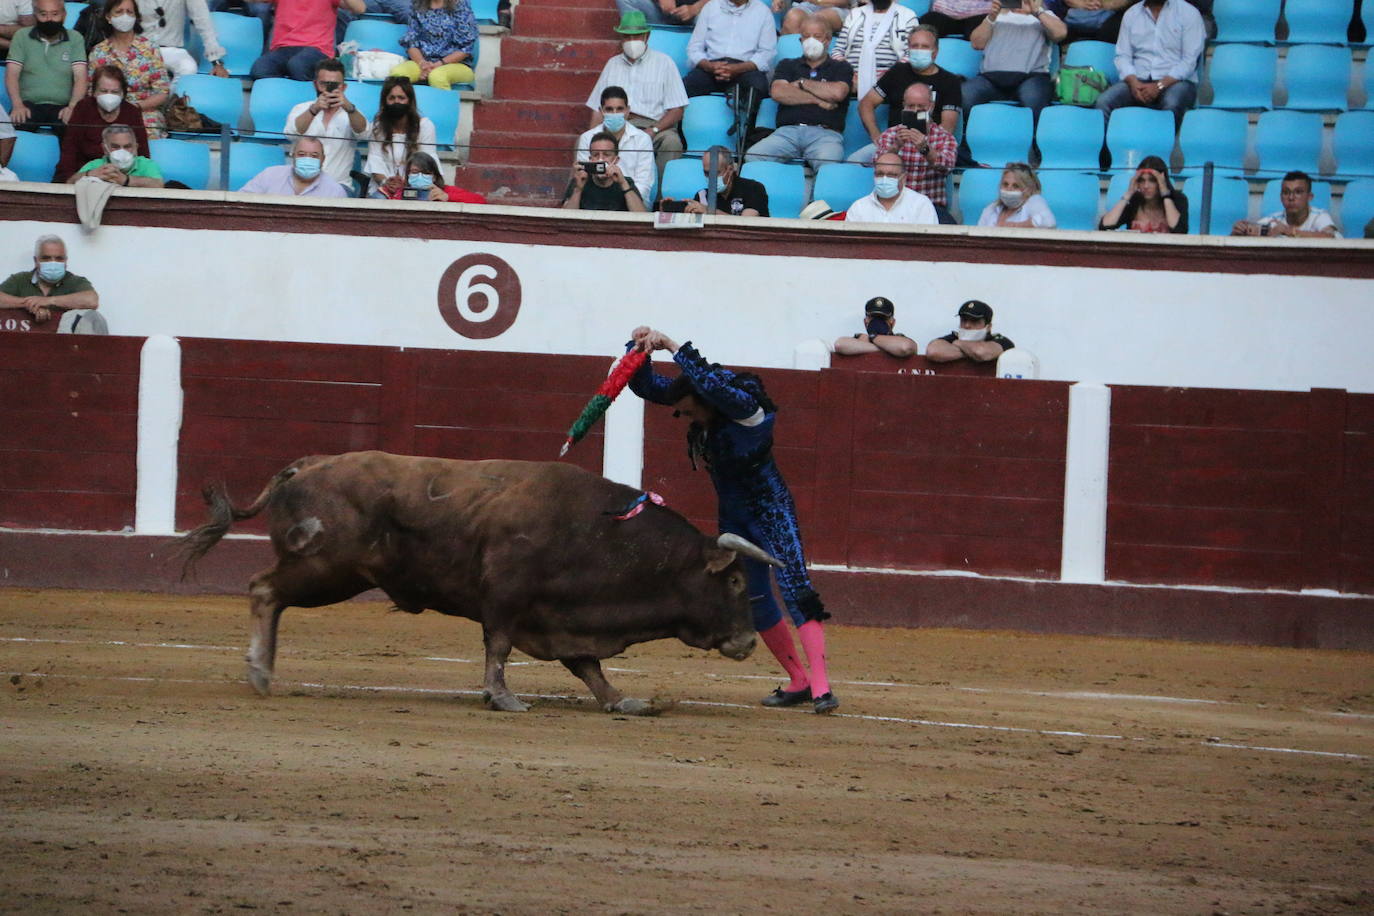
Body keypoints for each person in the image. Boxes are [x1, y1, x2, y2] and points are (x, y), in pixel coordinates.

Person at [627, 326, 839, 714]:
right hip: (735, 517)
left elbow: (711, 383)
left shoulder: (747, 412)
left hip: (771, 511)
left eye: (690, 409)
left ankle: (823, 688)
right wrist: (639, 348)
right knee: (756, 599)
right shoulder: (708, 408)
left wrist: (673, 344)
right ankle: (799, 681)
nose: (686, 417)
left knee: (796, 590)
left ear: (708, 400)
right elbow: (646, 387)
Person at [585, 11, 688, 178]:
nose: (631, 42)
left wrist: (653, 130)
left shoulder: (664, 63)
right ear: (621, 37)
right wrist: (593, 136)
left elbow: (677, 109)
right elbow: (597, 108)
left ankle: (661, 201)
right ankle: (578, 196)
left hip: (654, 126)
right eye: (627, 37)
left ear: (647, 35)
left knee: (671, 142)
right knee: (585, 142)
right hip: (616, 123)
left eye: (637, 36)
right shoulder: (612, 64)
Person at [744, 16, 851, 173]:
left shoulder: (841, 67)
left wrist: (801, 83)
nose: (810, 41)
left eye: (817, 36)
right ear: (800, 41)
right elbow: (778, 92)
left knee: (829, 167)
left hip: (825, 135)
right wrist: (819, 100)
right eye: (806, 36)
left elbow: (837, 93)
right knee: (753, 157)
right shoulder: (787, 65)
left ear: (827, 40)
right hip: (787, 133)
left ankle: (817, 198)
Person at [851, 24, 961, 165]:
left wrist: (924, 146)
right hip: (895, 143)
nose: (919, 50)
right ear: (908, 49)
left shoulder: (950, 81)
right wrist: (876, 136)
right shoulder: (897, 72)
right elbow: (866, 104)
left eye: (925, 47)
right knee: (854, 161)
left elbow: (948, 126)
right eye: (915, 46)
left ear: (935, 52)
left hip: (928, 146)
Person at [960, 0, 1065, 143]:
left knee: (1034, 100)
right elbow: (976, 43)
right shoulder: (994, 17)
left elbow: (1060, 34)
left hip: (1031, 77)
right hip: (991, 78)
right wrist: (991, 17)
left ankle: (1035, 146)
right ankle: (964, 144)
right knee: (964, 95)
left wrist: (1037, 12)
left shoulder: (1044, 16)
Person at [1094, 0, 1204, 127]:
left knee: (1172, 102)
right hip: (1138, 80)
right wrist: (1133, 82)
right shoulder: (1132, 14)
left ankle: (1162, 145)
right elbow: (1122, 56)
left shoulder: (1188, 13)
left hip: (1176, 81)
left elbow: (1189, 61)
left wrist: (1159, 86)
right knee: (1104, 102)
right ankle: (1107, 147)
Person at [874, 81, 956, 220]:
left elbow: (947, 167)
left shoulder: (944, 137)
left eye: (921, 107)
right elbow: (877, 167)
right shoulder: (890, 134)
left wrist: (926, 149)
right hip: (893, 203)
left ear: (931, 107)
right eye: (911, 106)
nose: (916, 110)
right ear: (904, 106)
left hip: (930, 205)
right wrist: (896, 147)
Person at [87, 0, 169, 137]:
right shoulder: (98, 52)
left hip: (143, 112)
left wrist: (135, 108)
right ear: (108, 17)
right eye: (119, 12)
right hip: (106, 112)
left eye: (129, 12)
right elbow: (91, 91)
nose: (124, 16)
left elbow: (162, 92)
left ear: (136, 17)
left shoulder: (150, 49)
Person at [52, 63, 147, 181]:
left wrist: (128, 179)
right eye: (103, 91)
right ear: (94, 92)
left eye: (115, 92)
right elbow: (70, 149)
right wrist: (69, 179)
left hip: (122, 177)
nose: (109, 96)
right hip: (86, 175)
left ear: (123, 93)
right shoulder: (83, 108)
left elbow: (143, 154)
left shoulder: (132, 112)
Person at [5, 0, 87, 136]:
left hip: (63, 106)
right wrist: (17, 105)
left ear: (64, 15)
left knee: (75, 130)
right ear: (35, 14)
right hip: (28, 105)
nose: (49, 19)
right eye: (43, 14)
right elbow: (12, 74)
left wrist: (72, 107)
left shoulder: (75, 38)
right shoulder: (21, 36)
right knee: (10, 131)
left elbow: (81, 77)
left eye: (55, 14)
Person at [284, 57, 368, 185]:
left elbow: (364, 134)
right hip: (300, 183)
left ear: (344, 87)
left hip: (338, 185)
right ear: (315, 84)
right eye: (324, 84)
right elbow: (290, 134)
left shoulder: (352, 112)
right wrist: (314, 109)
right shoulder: (301, 109)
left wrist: (349, 108)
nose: (328, 89)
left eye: (335, 85)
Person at [0, 234, 101, 332]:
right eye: (46, 258)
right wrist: (30, 305)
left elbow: (91, 300)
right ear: (36, 260)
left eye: (59, 258)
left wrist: (49, 301)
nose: (53, 263)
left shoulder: (75, 282)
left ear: (66, 261)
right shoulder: (20, 279)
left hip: (64, 344)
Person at [683, 0, 775, 104]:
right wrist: (708, 66)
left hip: (746, 69)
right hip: (711, 68)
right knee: (687, 85)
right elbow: (694, 48)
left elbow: (767, 53)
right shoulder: (711, 7)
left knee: (758, 85)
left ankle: (748, 121)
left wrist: (739, 68)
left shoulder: (763, 11)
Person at [249, 0, 364, 81]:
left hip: (318, 48)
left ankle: (308, 106)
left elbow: (360, 8)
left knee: (298, 65)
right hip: (284, 47)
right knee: (260, 69)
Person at [576, 85, 655, 203]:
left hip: (632, 202)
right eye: (609, 109)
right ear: (601, 111)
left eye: (619, 109)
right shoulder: (587, 138)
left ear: (627, 111)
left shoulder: (642, 139)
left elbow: (644, 184)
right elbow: (583, 176)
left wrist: (626, 199)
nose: (614, 113)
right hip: (595, 201)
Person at [365, 75, 436, 196]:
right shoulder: (378, 126)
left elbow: (427, 163)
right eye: (391, 98)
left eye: (401, 98)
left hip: (415, 187)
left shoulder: (425, 126)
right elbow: (375, 160)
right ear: (385, 101)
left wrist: (406, 185)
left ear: (410, 100)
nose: (396, 102)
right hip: (382, 187)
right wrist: (386, 183)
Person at [831, 0, 916, 101]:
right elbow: (837, 50)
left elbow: (912, 53)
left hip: (890, 78)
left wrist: (888, 76)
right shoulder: (855, 14)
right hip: (852, 78)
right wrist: (848, 74)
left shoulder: (907, 16)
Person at [389, 0, 476, 91]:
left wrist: (438, 64)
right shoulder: (417, 6)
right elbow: (411, 42)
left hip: (456, 64)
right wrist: (422, 63)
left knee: (437, 76)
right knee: (398, 74)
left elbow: (466, 48)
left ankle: (444, 105)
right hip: (422, 61)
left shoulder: (460, 6)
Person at [661, 144, 769, 216]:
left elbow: (747, 225)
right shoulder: (702, 196)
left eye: (715, 173)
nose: (710, 178)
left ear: (730, 169)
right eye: (707, 173)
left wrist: (709, 212)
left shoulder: (753, 188)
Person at [1231, 170, 1341, 239]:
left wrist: (1289, 231)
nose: (1291, 198)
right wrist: (1238, 232)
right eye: (1286, 192)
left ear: (1309, 197)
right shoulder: (1273, 220)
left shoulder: (1319, 216)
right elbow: (1249, 232)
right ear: (1280, 197)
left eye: (1298, 192)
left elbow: (1330, 237)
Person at [136, 0, 229, 78]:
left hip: (172, 50)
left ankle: (174, 99)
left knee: (189, 68)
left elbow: (203, 21)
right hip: (138, 49)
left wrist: (216, 62)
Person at [562, 130, 648, 212]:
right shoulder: (579, 181)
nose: (601, 159)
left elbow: (642, 217)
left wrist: (623, 184)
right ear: (590, 159)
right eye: (596, 155)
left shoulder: (626, 182)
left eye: (606, 154)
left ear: (616, 159)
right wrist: (578, 190)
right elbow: (565, 219)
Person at [845, 150, 938, 224]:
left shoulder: (921, 205)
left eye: (891, 175)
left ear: (904, 178)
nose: (885, 179)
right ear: (874, 176)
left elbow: (929, 245)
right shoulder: (859, 208)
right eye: (880, 174)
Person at [1099, 154, 1187, 233]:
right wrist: (1128, 193)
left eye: (1152, 180)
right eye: (1141, 180)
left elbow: (1179, 230)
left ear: (1162, 181)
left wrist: (1165, 194)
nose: (1146, 186)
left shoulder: (1178, 199)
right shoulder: (1135, 201)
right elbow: (1105, 226)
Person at [240, 134, 349, 196]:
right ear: (293, 156)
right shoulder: (269, 176)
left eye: (314, 156)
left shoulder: (335, 191)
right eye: (302, 154)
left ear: (323, 159)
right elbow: (241, 201)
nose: (307, 159)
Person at [68, 122, 163, 185]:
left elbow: (159, 185)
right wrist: (90, 174)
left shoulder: (146, 164)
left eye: (127, 146)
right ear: (104, 149)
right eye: (115, 147)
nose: (122, 151)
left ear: (136, 147)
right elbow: (69, 184)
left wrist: (126, 180)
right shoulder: (95, 165)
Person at [925, 299, 1014, 363]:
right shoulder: (955, 337)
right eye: (964, 320)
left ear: (988, 327)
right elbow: (933, 351)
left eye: (974, 321)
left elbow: (982, 353)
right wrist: (971, 353)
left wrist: (958, 343)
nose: (967, 325)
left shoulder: (1000, 340)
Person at [382, 149, 485, 201]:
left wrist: (448, 197)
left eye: (426, 173)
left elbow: (480, 200)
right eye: (414, 172)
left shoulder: (446, 191)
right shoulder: (402, 193)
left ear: (434, 176)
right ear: (408, 175)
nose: (420, 176)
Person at [976, 161, 1055, 228]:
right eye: (1005, 184)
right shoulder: (991, 209)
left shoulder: (1034, 201)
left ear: (1028, 189)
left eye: (1016, 186)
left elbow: (1049, 222)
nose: (1009, 189)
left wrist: (1013, 226)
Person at [832, 295, 916, 358]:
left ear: (892, 322)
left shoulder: (899, 339)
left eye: (883, 318)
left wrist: (873, 338)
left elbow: (905, 347)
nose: (877, 322)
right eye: (874, 318)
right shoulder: (859, 339)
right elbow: (839, 344)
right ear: (865, 322)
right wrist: (887, 349)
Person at [920, 0, 995, 40]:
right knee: (929, 19)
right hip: (948, 16)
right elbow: (939, 5)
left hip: (980, 18)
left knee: (983, 23)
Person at [775, 0, 845, 37]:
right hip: (809, 6)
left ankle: (815, 59)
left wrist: (818, 1)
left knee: (817, 20)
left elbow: (843, 2)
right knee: (793, 17)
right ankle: (794, 57)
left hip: (837, 8)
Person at [615, 0, 705, 29]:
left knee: (709, 15)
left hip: (695, 16)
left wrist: (695, 8)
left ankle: (705, 62)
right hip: (660, 13)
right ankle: (636, 46)